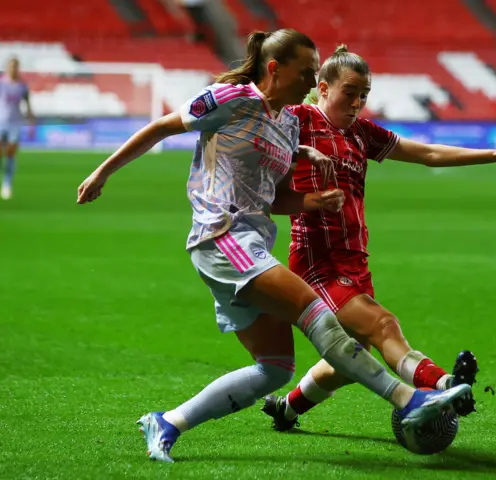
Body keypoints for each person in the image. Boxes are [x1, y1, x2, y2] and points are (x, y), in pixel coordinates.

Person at [76, 30, 472, 463]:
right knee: (317, 313)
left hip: (252, 242)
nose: (310, 81)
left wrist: (312, 201)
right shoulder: (231, 98)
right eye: (305, 72)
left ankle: (168, 422)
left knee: (274, 369)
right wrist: (102, 173)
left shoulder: (286, 123)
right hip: (221, 235)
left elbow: (276, 197)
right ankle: (409, 400)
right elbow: (160, 127)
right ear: (274, 68)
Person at [262, 45, 496, 431]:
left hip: (355, 260)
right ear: (322, 88)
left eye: (364, 95)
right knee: (383, 326)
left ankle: (286, 409)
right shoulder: (298, 121)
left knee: (354, 354)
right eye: (350, 92)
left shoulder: (362, 133)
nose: (358, 103)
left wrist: (492, 155)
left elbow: (425, 153)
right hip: (317, 263)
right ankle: (445, 384)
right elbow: (254, 125)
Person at [0, 57, 35, 200]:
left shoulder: (22, 86)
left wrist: (31, 123)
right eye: (11, 66)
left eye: (15, 66)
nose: (13, 69)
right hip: (1, 122)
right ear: (7, 68)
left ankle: (7, 184)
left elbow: (27, 105)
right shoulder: (1, 83)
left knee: (10, 154)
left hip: (15, 123)